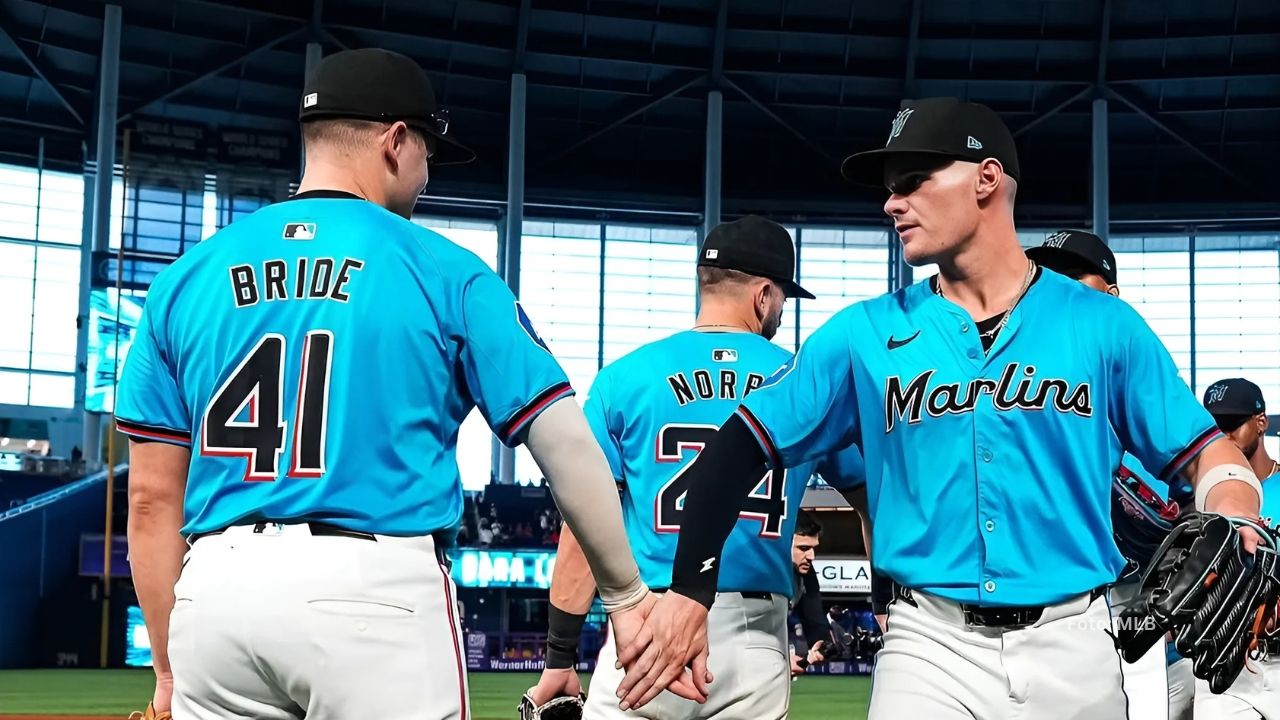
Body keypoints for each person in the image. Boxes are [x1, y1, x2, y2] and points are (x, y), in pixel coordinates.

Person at [616, 97, 1265, 718]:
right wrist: (690, 592)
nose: (892, 201)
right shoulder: (860, 335)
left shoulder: (1105, 328)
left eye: (914, 179)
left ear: (986, 179)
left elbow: (1208, 453)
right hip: (928, 646)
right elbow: (737, 444)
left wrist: (1240, 520)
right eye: (891, 187)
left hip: (1078, 640)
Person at [118, 48, 693, 720]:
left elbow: (153, 503)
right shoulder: (444, 270)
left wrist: (166, 670)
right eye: (428, 152)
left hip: (215, 596)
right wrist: (626, 598)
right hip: (372, 595)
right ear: (395, 141)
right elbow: (563, 439)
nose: (427, 172)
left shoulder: (183, 280)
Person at [521, 216, 863, 719]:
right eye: (783, 299)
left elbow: (584, 522)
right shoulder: (799, 383)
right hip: (753, 632)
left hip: (644, 624)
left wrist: (560, 653)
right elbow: (869, 496)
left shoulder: (626, 377)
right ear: (764, 295)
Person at [1028, 228, 1191, 720]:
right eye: (1049, 276)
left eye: (1076, 275)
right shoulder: (1024, 393)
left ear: (1112, 294)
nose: (1061, 287)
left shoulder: (1149, 399)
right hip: (1036, 608)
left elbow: (1197, 502)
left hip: (1134, 608)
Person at [1196, 377, 1280, 720]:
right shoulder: (1201, 495)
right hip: (1223, 664)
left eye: (1233, 424)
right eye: (1215, 427)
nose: (1224, 437)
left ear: (1261, 423)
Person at [789, 511, 830, 675]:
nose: (811, 556)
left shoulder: (806, 574)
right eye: (803, 548)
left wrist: (820, 643)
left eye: (813, 548)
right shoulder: (760, 572)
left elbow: (814, 617)